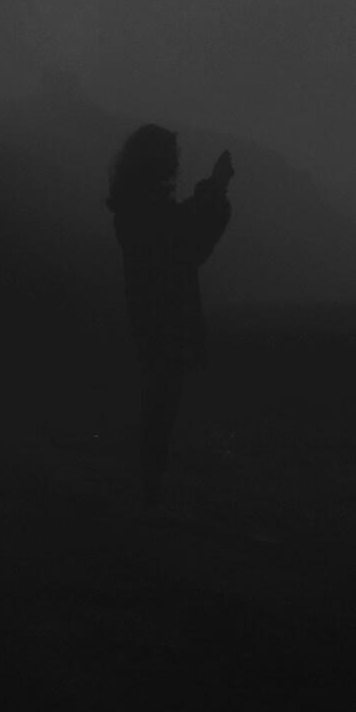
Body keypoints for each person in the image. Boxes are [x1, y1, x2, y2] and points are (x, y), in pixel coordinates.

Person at [105, 124, 234, 502]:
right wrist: (215, 187)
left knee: (160, 395)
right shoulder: (143, 209)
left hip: (150, 311)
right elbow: (186, 242)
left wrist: (213, 189)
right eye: (171, 156)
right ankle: (150, 486)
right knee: (162, 398)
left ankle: (150, 483)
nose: (176, 163)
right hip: (162, 312)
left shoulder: (133, 205)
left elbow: (185, 234)